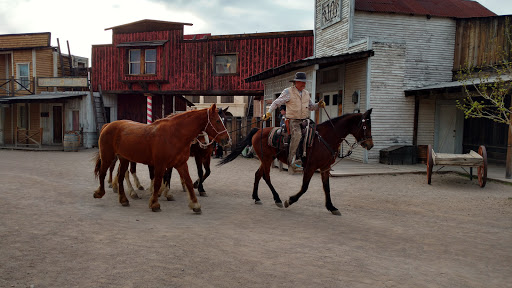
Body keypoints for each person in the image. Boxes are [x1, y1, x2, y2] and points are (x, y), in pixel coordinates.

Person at [262, 72, 325, 173]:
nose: (304, 84)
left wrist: (319, 105)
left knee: (316, 133)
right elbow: (276, 102)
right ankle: (291, 159)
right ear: (296, 82)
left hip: (305, 119)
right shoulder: (288, 92)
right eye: (302, 82)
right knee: (297, 135)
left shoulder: (306, 93)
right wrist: (268, 113)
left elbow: (311, 107)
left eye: (304, 82)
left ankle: (311, 157)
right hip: (293, 120)